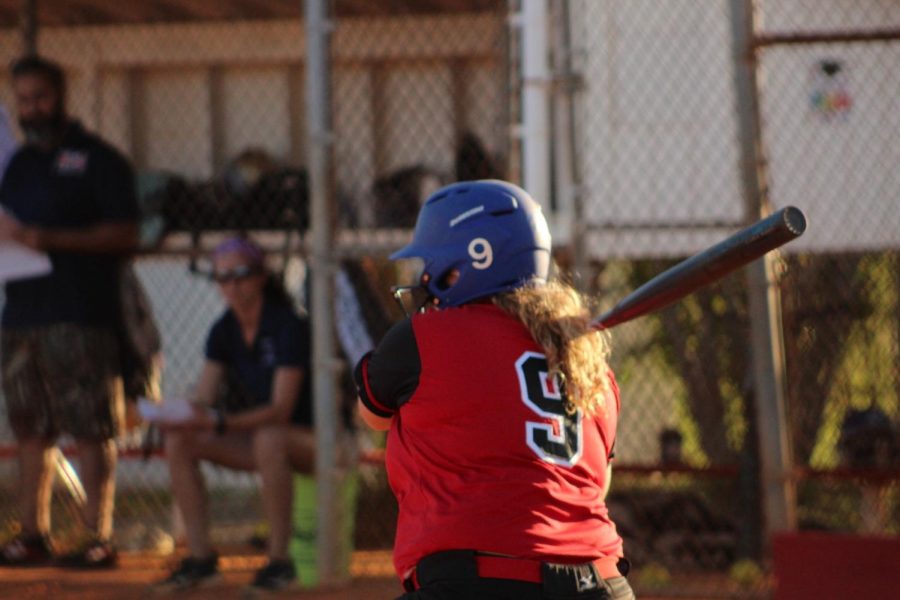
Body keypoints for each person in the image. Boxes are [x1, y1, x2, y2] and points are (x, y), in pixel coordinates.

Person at [355, 180, 635, 599]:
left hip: (476, 582)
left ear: (473, 259)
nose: (426, 277)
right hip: (602, 584)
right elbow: (598, 481)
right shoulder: (591, 361)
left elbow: (373, 415)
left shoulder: (423, 337)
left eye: (435, 264)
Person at [0, 55, 140, 568]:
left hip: (81, 314)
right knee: (29, 428)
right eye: (22, 100)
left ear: (60, 96)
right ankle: (32, 533)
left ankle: (94, 536)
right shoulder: (18, 166)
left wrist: (51, 239)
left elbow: (125, 231)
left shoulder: (98, 160)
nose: (31, 108)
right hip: (21, 315)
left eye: (39, 97)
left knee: (90, 427)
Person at [155, 237, 314, 594]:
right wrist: (175, 413)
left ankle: (279, 563)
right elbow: (205, 399)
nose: (231, 285)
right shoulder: (224, 329)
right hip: (262, 441)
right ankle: (201, 561)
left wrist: (219, 423)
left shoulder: (288, 323)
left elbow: (281, 410)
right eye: (222, 278)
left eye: (241, 274)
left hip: (316, 441)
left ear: (260, 277)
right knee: (181, 439)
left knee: (269, 436)